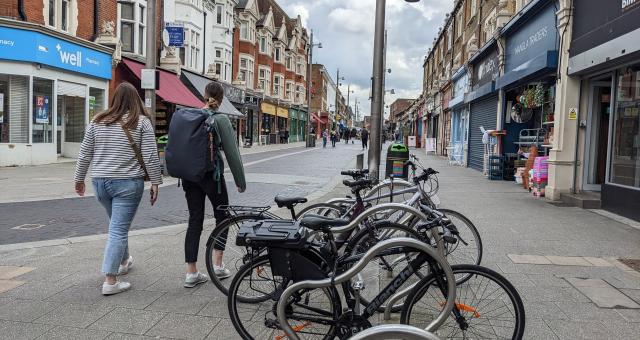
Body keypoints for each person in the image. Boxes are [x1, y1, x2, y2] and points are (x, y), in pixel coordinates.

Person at [74, 82, 162, 295]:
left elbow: (85, 152)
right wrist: (156, 182)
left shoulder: (97, 120)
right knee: (118, 229)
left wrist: (79, 178)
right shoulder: (141, 122)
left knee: (116, 224)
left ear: (114, 99)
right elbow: (150, 155)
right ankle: (110, 280)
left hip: (100, 182)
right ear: (136, 100)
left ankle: (124, 261)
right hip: (127, 183)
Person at [179, 82, 247, 288]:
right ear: (222, 98)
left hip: (190, 176)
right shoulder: (221, 119)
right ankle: (218, 264)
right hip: (212, 177)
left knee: (194, 220)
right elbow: (232, 154)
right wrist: (240, 181)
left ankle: (191, 272)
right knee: (222, 217)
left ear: (204, 96)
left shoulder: (191, 117)